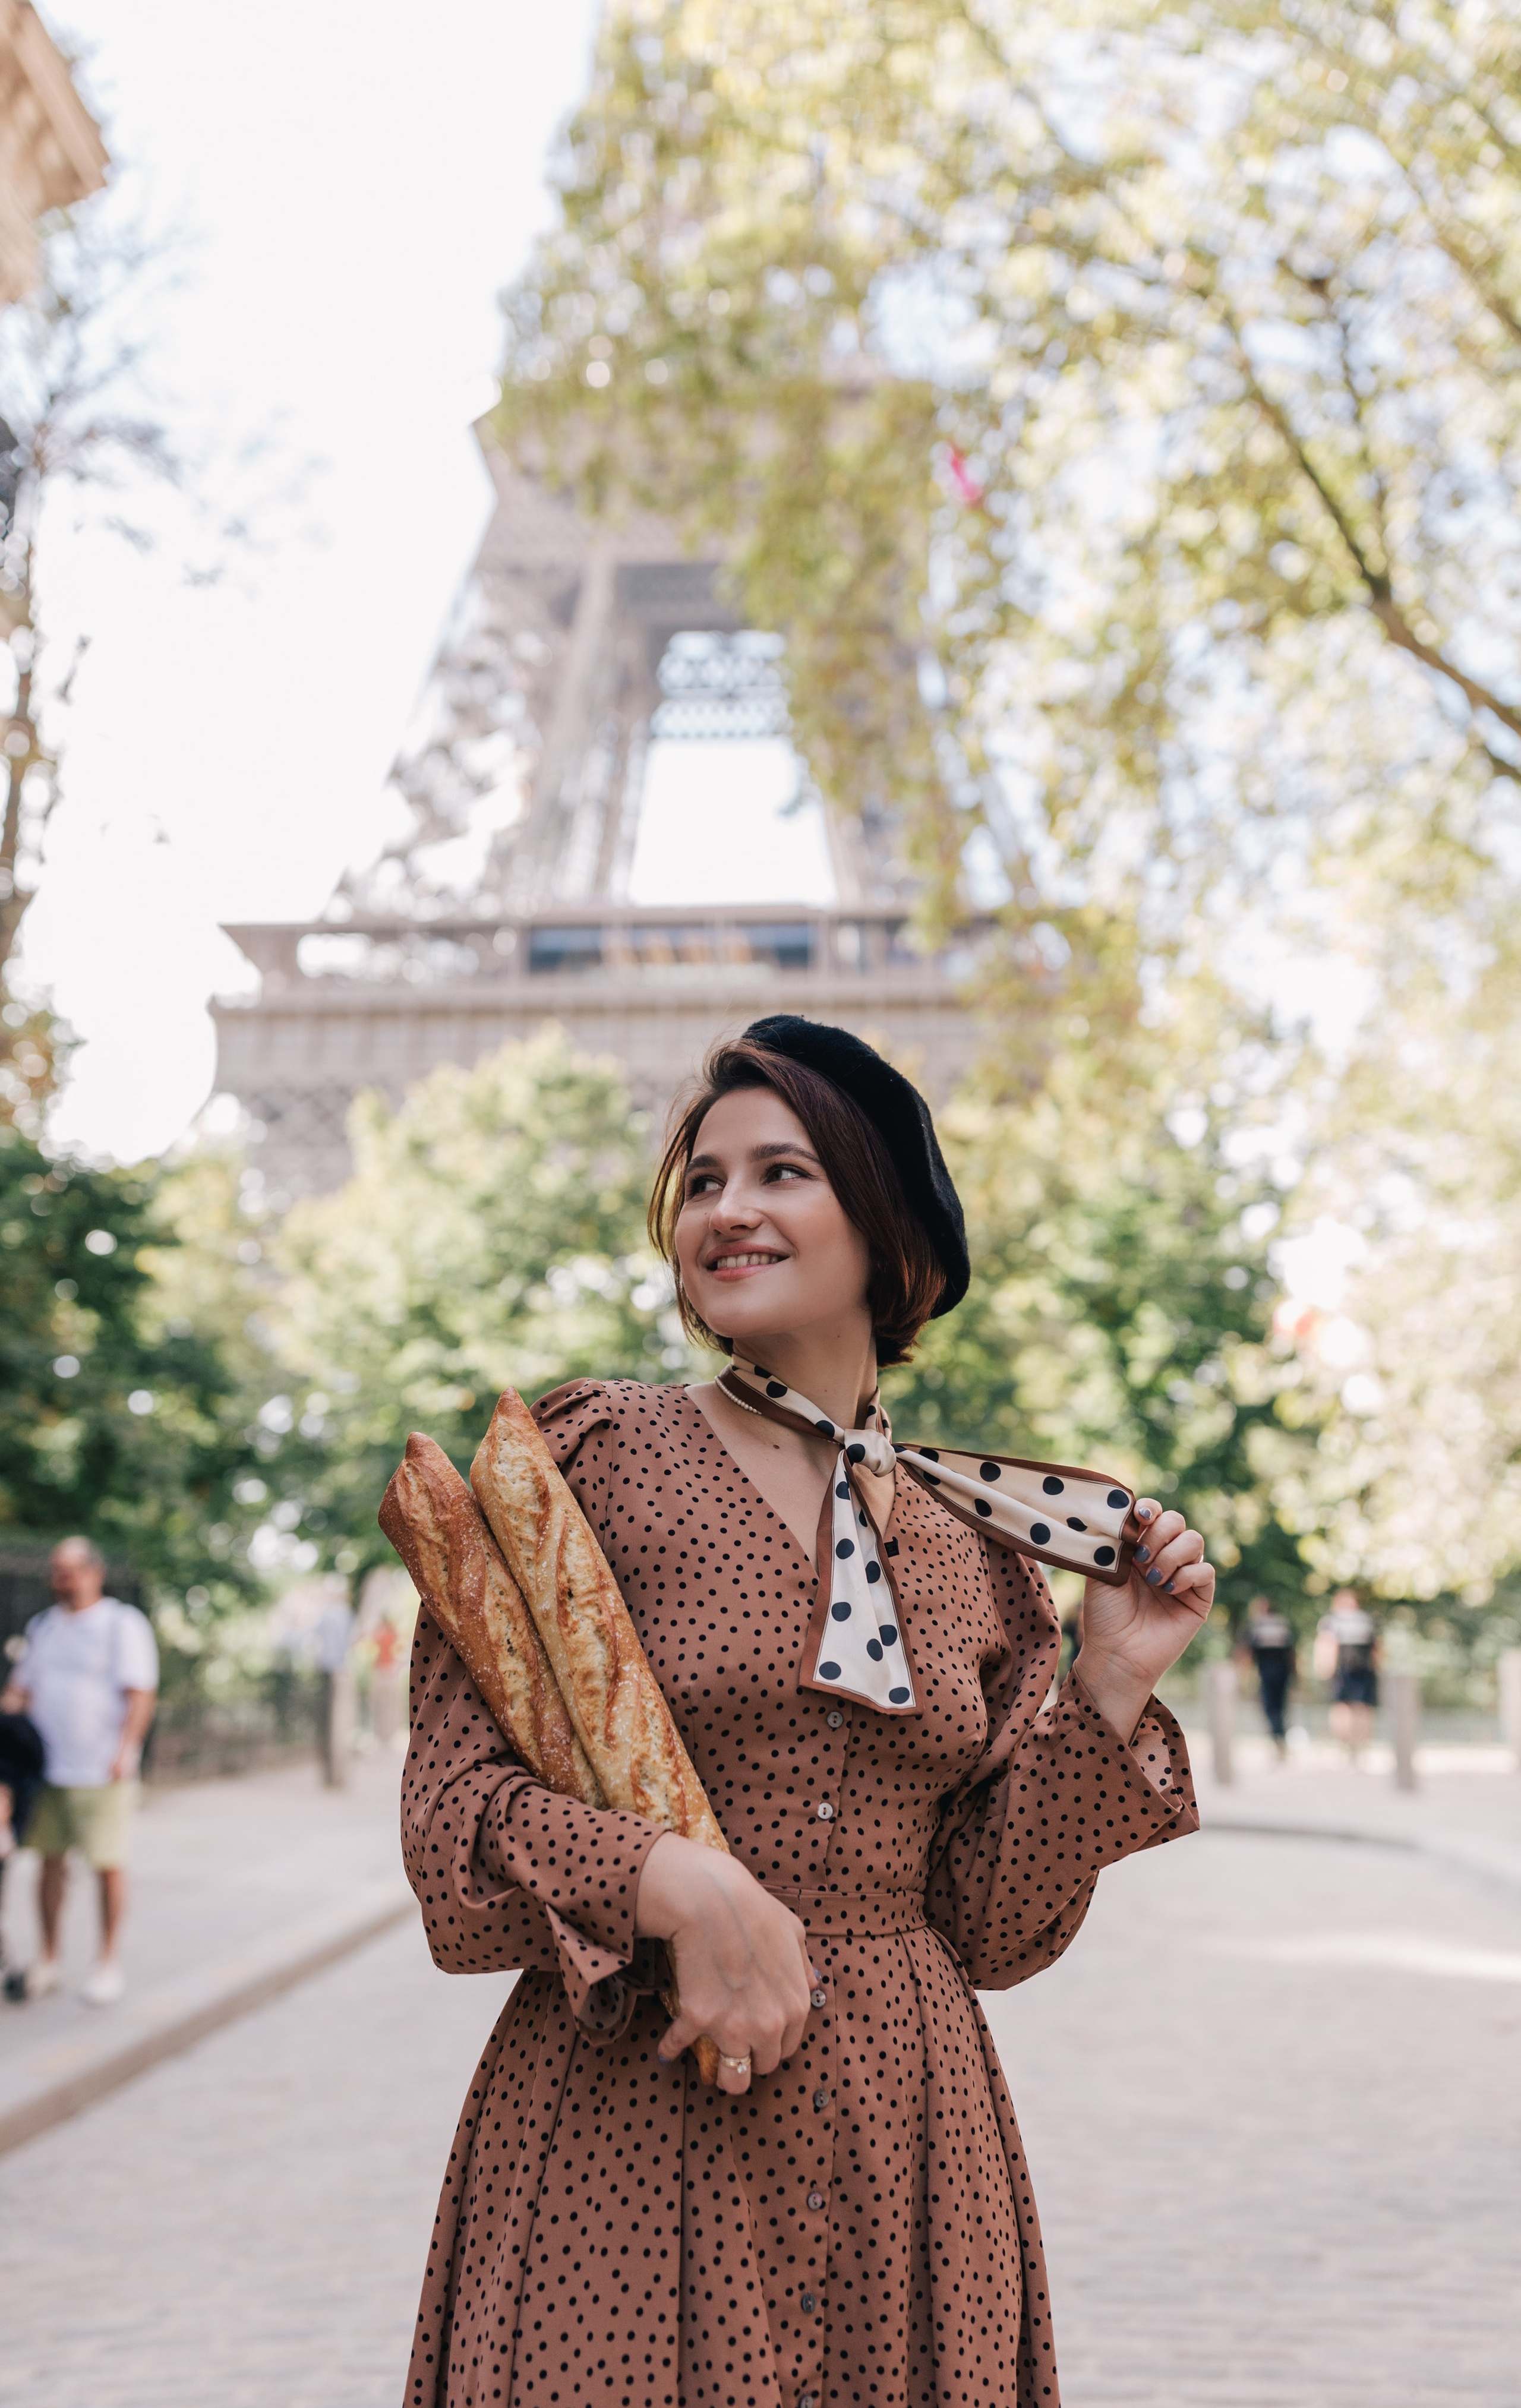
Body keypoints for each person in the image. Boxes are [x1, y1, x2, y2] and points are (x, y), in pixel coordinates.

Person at [400, 1018, 1215, 2408]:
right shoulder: (584, 1462)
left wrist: (1105, 1685)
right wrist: (669, 1881)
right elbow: (449, 1832)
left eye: (780, 1172)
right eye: (701, 1181)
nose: (725, 1210)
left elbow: (991, 1927)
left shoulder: (982, 1545)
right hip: (624, 2111)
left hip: (906, 2135)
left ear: (887, 1224)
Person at [0, 1537, 158, 2006]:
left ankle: (106, 1962)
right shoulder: (44, 1626)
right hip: (47, 1768)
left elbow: (140, 1693)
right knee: (49, 1862)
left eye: (67, 1571)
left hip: (101, 1767)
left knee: (107, 1863)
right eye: (55, 1571)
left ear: (93, 1572)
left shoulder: (121, 1624)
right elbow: (21, 1690)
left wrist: (126, 1750)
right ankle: (49, 1958)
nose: (59, 1580)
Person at [1315, 1585, 1378, 1765]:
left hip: (1341, 1670)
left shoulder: (1333, 1620)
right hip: (1364, 1670)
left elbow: (1327, 1644)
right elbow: (1376, 1649)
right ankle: (1360, 1747)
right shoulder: (1366, 1620)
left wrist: (1325, 1668)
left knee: (1341, 1708)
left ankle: (1345, 1746)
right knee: (1362, 1708)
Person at [1239, 1593, 1296, 1760]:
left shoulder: (1256, 1626)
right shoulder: (1282, 1624)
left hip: (1266, 1673)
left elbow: (1247, 1653)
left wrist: (1245, 1677)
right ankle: (1280, 1739)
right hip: (1283, 1672)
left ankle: (1277, 1740)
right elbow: (1292, 1652)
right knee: (1281, 1707)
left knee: (1269, 1708)